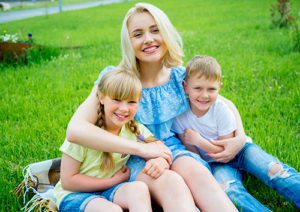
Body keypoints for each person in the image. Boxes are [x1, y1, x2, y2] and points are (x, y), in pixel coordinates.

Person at [66, 2, 239, 211]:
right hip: (129, 155)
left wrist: (239, 138)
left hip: (170, 147)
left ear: (166, 33)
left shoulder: (179, 77)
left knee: (199, 175)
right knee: (172, 184)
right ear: (129, 41)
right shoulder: (117, 80)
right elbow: (75, 130)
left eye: (155, 30)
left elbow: (223, 102)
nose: (148, 39)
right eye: (138, 34)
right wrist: (143, 149)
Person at [172, 55, 300, 211]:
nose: (204, 95)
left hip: (242, 151)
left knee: (275, 171)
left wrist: (198, 141)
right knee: (228, 190)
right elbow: (194, 156)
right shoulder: (179, 116)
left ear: (219, 88)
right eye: (197, 88)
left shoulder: (221, 110)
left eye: (211, 89)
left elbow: (227, 152)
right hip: (216, 163)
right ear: (185, 87)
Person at [54, 69, 166, 212]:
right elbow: (68, 181)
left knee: (139, 188)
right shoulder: (85, 134)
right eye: (116, 100)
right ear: (101, 97)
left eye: (131, 102)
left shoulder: (134, 129)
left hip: (110, 190)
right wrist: (112, 181)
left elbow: (159, 147)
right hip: (75, 195)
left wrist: (160, 160)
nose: (124, 108)